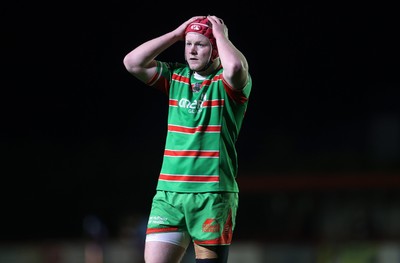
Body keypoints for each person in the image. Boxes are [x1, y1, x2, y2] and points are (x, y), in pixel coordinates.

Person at [123, 15, 252, 263]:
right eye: (188, 43)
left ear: (215, 49)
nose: (191, 50)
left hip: (212, 195)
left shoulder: (228, 84)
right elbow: (132, 62)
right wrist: (176, 33)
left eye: (200, 44)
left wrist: (221, 35)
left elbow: (235, 67)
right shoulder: (176, 77)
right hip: (169, 194)